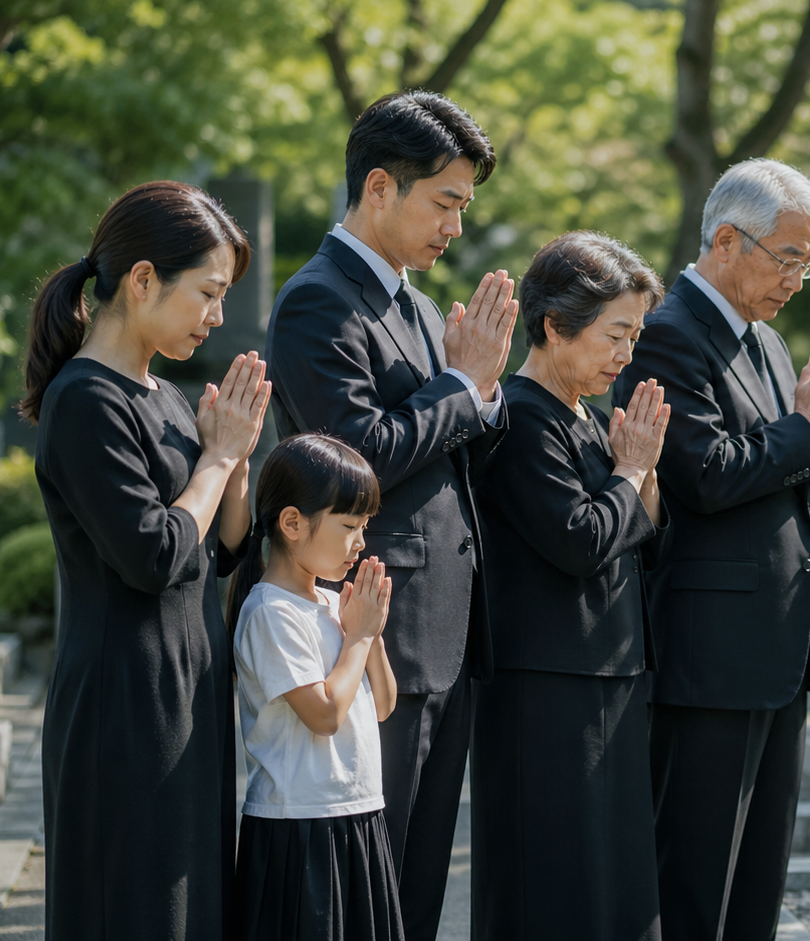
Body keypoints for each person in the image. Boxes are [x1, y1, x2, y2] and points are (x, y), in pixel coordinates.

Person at [265, 90, 513, 937]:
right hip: (380, 618)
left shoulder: (407, 299)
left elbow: (454, 434)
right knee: (376, 863)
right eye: (444, 201)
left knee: (422, 868)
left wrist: (482, 391)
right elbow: (355, 458)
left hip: (443, 621)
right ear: (379, 188)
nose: (455, 225)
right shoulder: (318, 299)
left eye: (464, 207)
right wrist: (461, 386)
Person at [612, 158, 810, 940]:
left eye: (808, 259)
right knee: (696, 876)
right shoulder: (665, 335)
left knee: (757, 877)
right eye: (789, 256)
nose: (800, 276)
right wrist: (806, 430)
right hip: (708, 652)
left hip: (775, 644)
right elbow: (706, 478)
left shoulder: (764, 340)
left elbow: (786, 475)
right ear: (726, 240)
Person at [26, 180, 270, 939]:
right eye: (207, 291)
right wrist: (214, 460)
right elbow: (155, 554)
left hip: (188, 687)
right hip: (123, 701)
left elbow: (220, 550)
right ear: (140, 281)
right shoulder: (84, 400)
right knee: (130, 907)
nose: (217, 315)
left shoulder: (164, 395)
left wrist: (237, 461)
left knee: (188, 907)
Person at [470, 231, 670, 940]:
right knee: (550, 879)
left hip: (606, 669)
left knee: (609, 876)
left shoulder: (583, 416)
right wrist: (630, 471)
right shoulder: (522, 415)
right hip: (544, 682)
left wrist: (635, 473)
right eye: (616, 333)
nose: (627, 353)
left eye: (635, 335)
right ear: (554, 325)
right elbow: (581, 539)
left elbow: (639, 534)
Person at [228, 433, 402, 941]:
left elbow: (385, 704)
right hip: (298, 826)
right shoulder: (270, 612)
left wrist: (368, 634)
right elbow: (325, 714)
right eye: (350, 526)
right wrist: (360, 637)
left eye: (364, 527)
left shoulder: (331, 606)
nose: (361, 541)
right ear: (292, 523)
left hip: (357, 812)